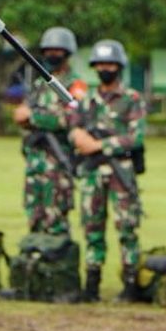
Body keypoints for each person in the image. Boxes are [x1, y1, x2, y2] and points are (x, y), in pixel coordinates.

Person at [69, 38, 146, 303]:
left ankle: (131, 284)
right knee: (92, 227)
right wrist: (79, 138)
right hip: (92, 173)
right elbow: (73, 128)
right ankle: (91, 285)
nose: (105, 68)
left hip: (120, 174)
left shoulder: (131, 99)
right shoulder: (86, 100)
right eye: (100, 64)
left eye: (110, 64)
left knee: (126, 227)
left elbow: (136, 137)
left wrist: (99, 144)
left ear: (119, 67)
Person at [13, 26, 88, 236]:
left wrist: (33, 117)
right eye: (48, 50)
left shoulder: (75, 86)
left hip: (58, 162)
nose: (51, 55)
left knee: (55, 219)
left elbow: (73, 117)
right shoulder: (38, 85)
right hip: (35, 162)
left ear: (67, 53)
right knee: (33, 216)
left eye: (57, 51)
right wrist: (22, 117)